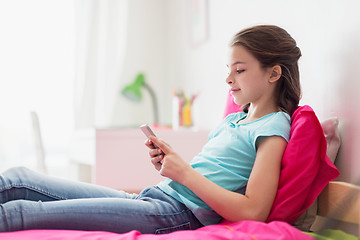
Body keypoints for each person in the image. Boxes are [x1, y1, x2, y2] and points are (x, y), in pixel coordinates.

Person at [0, 25, 301, 234]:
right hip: (155, 197)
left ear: (273, 73)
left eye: (240, 69)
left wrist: (183, 172)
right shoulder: (235, 119)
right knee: (19, 178)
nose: (228, 78)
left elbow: (253, 212)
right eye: (228, 69)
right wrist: (172, 164)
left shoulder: (273, 126)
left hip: (177, 215)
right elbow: (210, 175)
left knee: (22, 213)